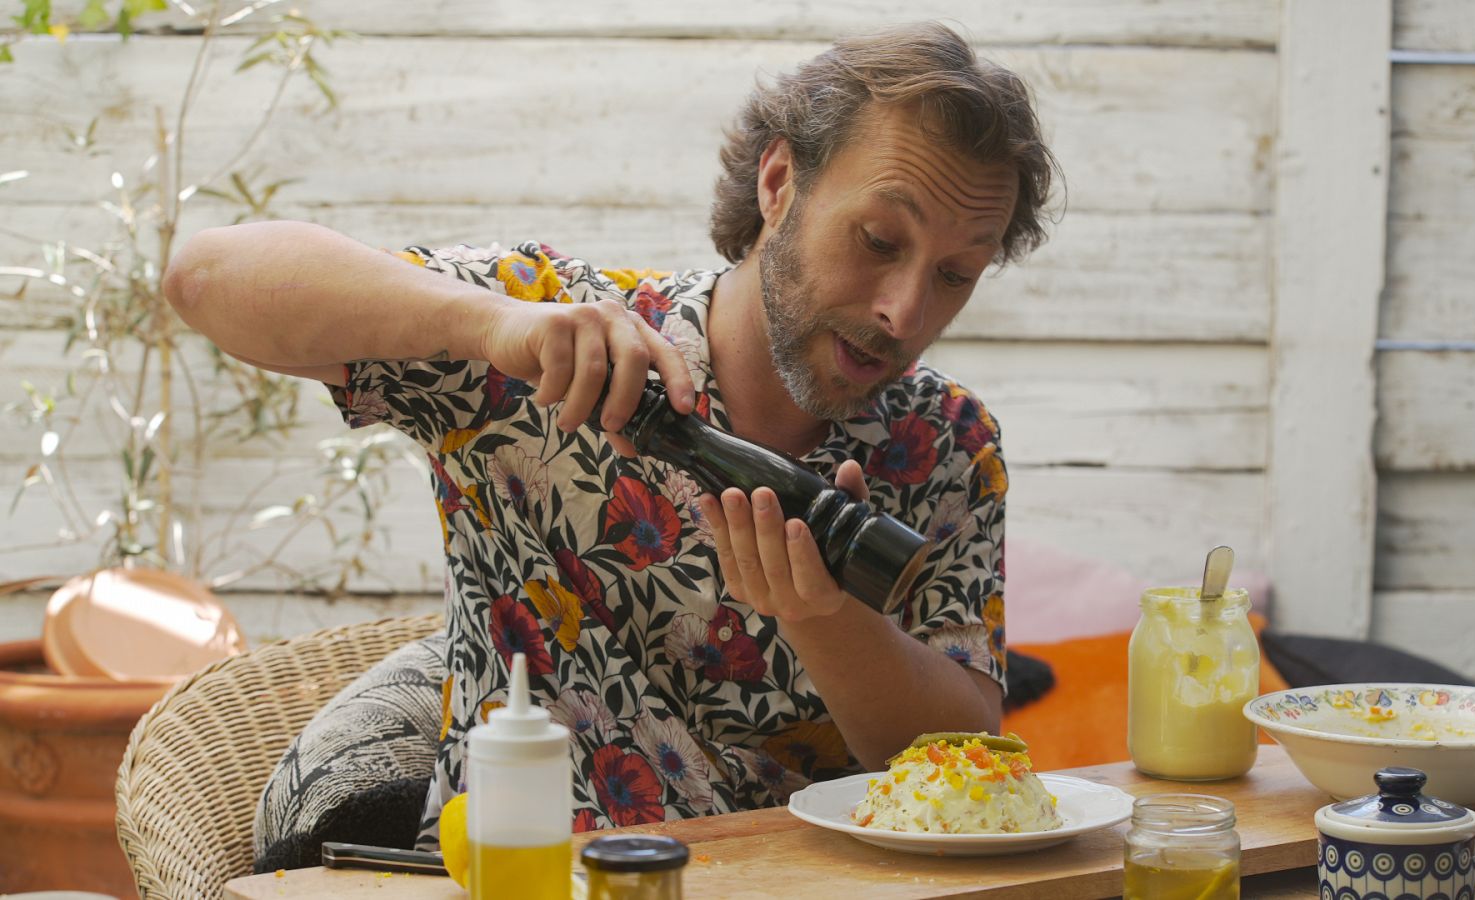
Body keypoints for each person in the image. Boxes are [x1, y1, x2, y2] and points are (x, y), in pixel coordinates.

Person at [164, 21, 1060, 844]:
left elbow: (963, 760)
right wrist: (487, 326)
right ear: (780, 184)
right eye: (876, 240)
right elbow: (204, 278)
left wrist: (823, 617)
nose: (903, 312)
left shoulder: (945, 443)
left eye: (953, 275)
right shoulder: (555, 339)